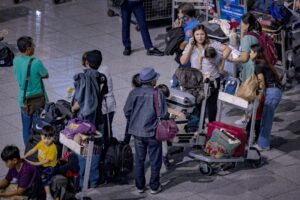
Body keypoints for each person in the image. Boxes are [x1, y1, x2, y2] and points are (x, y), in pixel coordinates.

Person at [123, 67, 168, 194]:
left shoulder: (133, 93)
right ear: (152, 81)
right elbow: (164, 114)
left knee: (139, 160)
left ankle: (139, 186)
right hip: (153, 132)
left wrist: (135, 121)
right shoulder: (157, 93)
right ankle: (154, 186)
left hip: (137, 133)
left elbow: (127, 111)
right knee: (155, 160)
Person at [180, 24, 231, 122]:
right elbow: (183, 61)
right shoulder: (191, 46)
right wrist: (190, 47)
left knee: (212, 105)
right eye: (197, 34)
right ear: (193, 36)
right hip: (197, 81)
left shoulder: (212, 43)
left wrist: (222, 62)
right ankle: (200, 128)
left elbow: (227, 49)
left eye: (202, 34)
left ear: (206, 35)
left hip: (213, 80)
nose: (200, 37)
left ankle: (211, 126)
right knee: (198, 105)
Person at [13, 36, 49, 146]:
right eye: (33, 46)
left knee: (26, 128)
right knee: (37, 127)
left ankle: (28, 149)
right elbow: (45, 74)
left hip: (23, 100)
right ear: (28, 49)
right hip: (37, 100)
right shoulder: (36, 62)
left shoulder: (16, 60)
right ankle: (38, 149)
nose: (34, 48)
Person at [227, 13, 261, 126]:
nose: (240, 25)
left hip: (249, 69)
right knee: (253, 94)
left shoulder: (248, 38)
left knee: (248, 93)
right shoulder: (256, 33)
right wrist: (242, 32)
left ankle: (247, 117)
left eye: (242, 23)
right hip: (257, 67)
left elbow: (244, 57)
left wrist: (231, 59)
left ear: (247, 24)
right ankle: (249, 116)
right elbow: (244, 46)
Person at [249, 44, 282, 151]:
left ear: (256, 53)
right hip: (274, 90)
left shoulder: (258, 64)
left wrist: (258, 95)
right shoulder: (264, 61)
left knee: (266, 119)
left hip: (271, 92)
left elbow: (261, 81)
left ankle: (263, 145)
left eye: (251, 52)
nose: (249, 54)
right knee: (266, 118)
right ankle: (262, 142)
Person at [72, 50, 108, 132]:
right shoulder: (103, 77)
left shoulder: (84, 79)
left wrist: (72, 109)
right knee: (98, 142)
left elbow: (81, 101)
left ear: (87, 62)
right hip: (99, 117)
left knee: (86, 144)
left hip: (86, 122)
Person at [24, 125, 57, 200]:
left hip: (49, 167)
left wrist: (34, 163)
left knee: (44, 178)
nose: (46, 141)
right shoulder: (41, 143)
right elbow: (33, 150)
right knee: (31, 171)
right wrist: (24, 157)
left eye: (49, 138)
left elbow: (46, 161)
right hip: (41, 164)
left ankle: (48, 195)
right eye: (44, 138)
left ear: (53, 137)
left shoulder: (52, 148)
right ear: (41, 136)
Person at [156, 84, 184, 168]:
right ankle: (165, 157)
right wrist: (177, 114)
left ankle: (164, 155)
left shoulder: (156, 100)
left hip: (156, 125)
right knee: (163, 141)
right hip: (160, 127)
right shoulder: (162, 105)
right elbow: (167, 112)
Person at [171, 3, 199, 88]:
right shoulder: (192, 22)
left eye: (179, 13)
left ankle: (175, 86)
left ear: (185, 15)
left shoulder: (190, 28)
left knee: (182, 70)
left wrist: (177, 46)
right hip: (191, 54)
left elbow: (184, 45)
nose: (177, 14)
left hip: (188, 54)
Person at [124, 73, 142, 144]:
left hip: (133, 119)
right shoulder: (150, 92)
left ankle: (125, 147)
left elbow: (126, 110)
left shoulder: (133, 93)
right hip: (144, 122)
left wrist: (130, 118)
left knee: (127, 134)